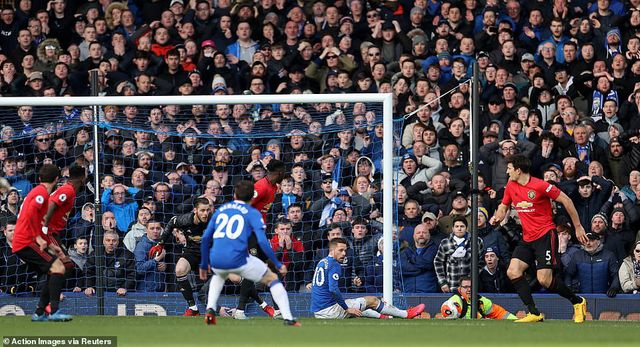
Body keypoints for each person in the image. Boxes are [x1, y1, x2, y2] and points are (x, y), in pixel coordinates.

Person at [490, 154, 588, 323]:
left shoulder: (540, 185)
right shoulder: (511, 185)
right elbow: (503, 206)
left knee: (544, 280)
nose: (507, 171)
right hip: (527, 237)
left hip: (545, 235)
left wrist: (578, 226)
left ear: (518, 170)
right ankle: (534, 312)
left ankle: (578, 302)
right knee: (513, 271)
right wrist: (498, 217)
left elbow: (566, 200)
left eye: (509, 168)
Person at [199, 180, 300, 326]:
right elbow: (263, 242)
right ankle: (288, 318)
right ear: (252, 197)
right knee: (272, 279)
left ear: (234, 195)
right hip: (238, 257)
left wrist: (203, 263)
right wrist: (276, 262)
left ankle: (210, 310)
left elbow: (206, 237)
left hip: (217, 256)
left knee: (218, 276)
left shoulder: (222, 209)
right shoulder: (252, 213)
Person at [11, 164, 71, 322]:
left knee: (53, 271)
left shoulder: (38, 192)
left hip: (24, 241)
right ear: (57, 179)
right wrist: (38, 238)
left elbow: (36, 220)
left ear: (39, 178)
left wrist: (51, 245)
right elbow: (31, 214)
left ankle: (39, 313)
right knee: (58, 267)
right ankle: (54, 312)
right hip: (26, 241)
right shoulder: (41, 193)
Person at [311, 237, 425, 319]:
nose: (344, 253)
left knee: (358, 304)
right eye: (340, 250)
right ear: (332, 250)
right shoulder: (334, 265)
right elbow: (333, 289)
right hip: (330, 311)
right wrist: (346, 308)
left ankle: (382, 316)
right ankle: (406, 314)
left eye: (345, 250)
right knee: (372, 300)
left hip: (318, 311)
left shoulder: (322, 261)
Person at [234, 159, 286, 319]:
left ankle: (277, 309)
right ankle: (240, 311)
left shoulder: (274, 188)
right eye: (283, 172)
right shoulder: (261, 187)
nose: (284, 175)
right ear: (278, 173)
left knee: (273, 266)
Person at [151, 197, 212, 316]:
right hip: (192, 251)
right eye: (202, 210)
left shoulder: (214, 220)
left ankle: (254, 303)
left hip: (211, 253)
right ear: (195, 210)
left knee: (235, 277)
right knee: (179, 270)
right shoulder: (185, 220)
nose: (205, 214)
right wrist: (160, 243)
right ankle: (193, 308)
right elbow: (171, 222)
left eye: (207, 210)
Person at [440, 277, 516, 320]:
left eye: (471, 287)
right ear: (460, 289)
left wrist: (516, 321)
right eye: (465, 287)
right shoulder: (456, 300)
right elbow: (449, 311)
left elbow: (500, 313)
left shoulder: (482, 301)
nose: (469, 289)